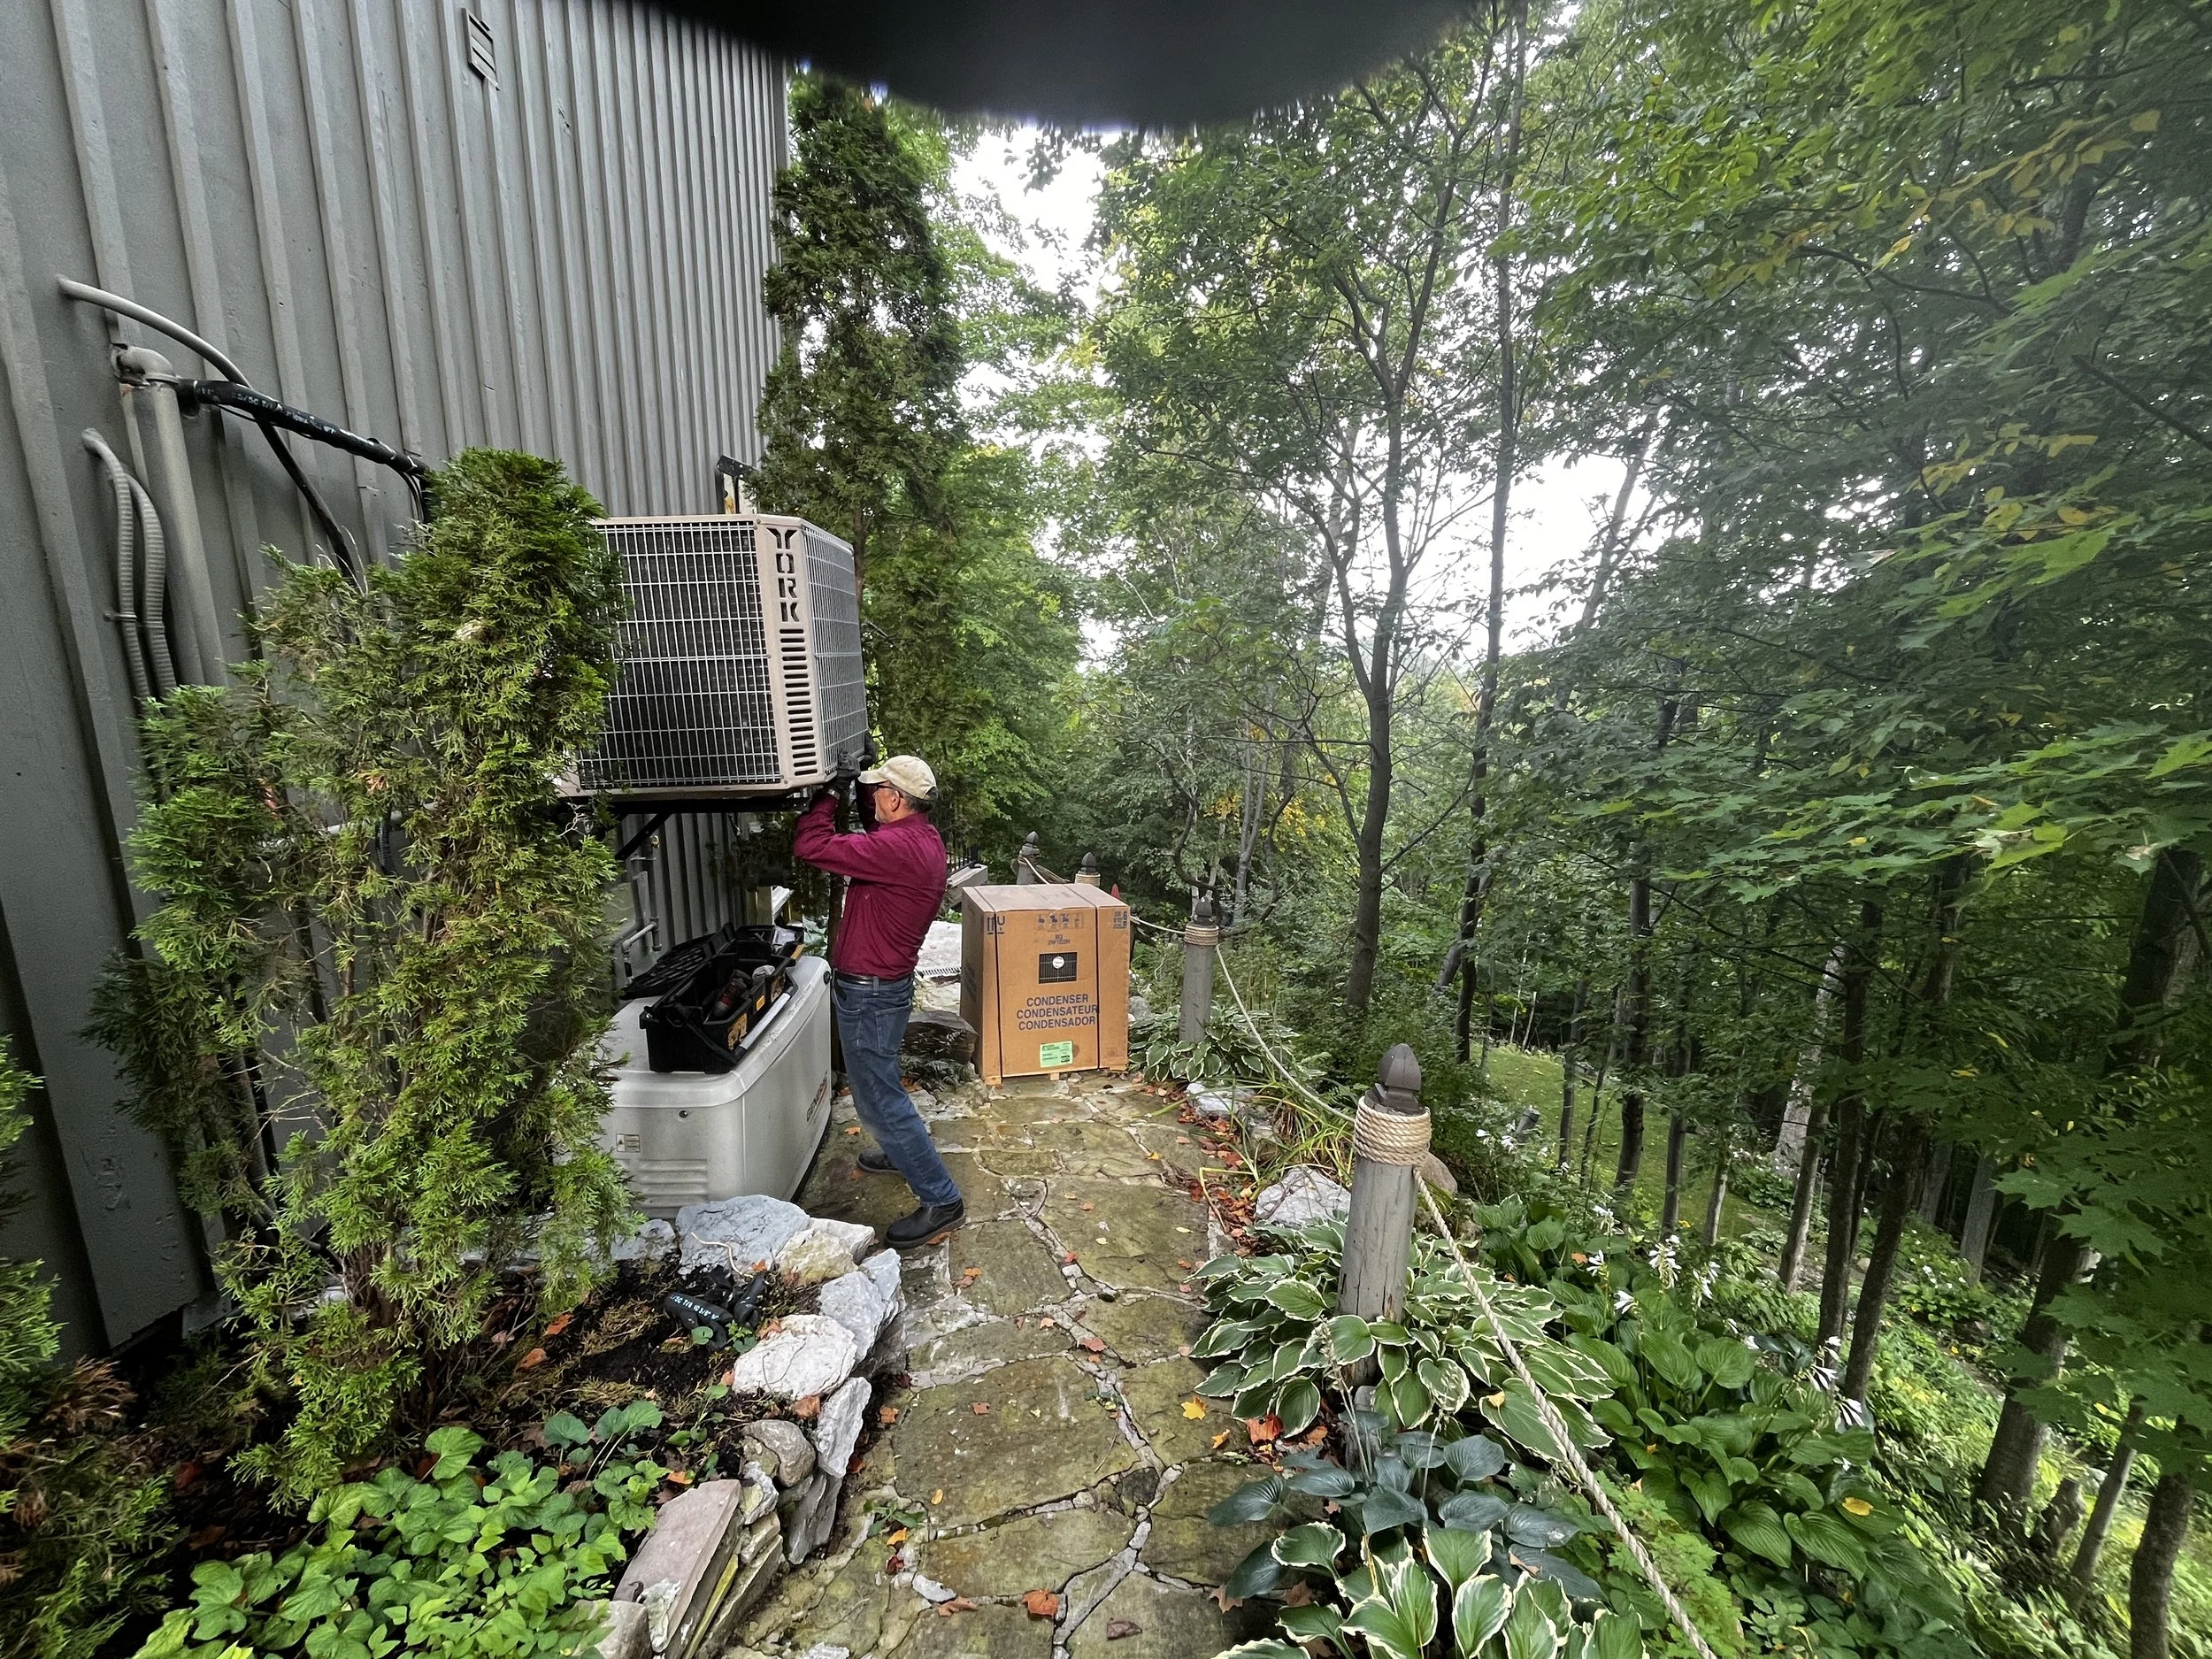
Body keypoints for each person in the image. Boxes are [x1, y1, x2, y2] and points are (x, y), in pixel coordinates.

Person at [792, 755, 964, 1248]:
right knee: (882, 1082)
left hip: (870, 992)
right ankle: (901, 1150)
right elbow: (874, 827)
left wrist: (828, 795)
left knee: (877, 1095)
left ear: (894, 799)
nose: (869, 799)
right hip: (880, 986)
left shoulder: (895, 849)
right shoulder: (919, 838)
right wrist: (857, 782)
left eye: (875, 792)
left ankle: (941, 1198)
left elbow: (811, 844)